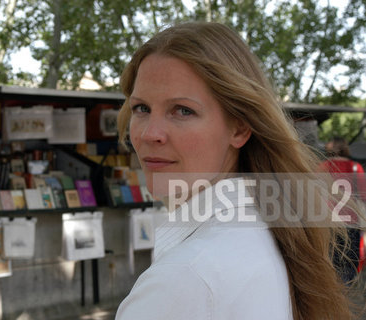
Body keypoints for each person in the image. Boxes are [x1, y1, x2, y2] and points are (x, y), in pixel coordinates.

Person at [116, 22, 354, 320]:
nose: (151, 134)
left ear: (240, 128)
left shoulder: (184, 280)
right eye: (141, 108)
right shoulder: (268, 232)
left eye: (183, 110)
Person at [319, 137, 366, 282]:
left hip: (329, 223)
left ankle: (334, 292)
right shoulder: (355, 167)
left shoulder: (323, 167)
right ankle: (347, 290)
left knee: (331, 260)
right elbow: (363, 196)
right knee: (350, 261)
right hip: (351, 222)